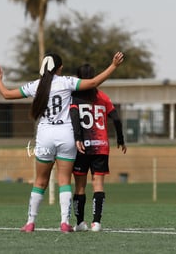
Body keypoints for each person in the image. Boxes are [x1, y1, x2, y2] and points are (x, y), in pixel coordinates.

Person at [0, 52, 124, 233]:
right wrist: (113, 66)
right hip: (66, 135)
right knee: (64, 181)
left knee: (40, 182)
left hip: (45, 135)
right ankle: (64, 222)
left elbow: (7, 94)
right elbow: (93, 83)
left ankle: (30, 222)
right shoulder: (66, 82)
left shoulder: (35, 85)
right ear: (60, 68)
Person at [70, 63, 127, 232]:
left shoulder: (75, 97)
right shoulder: (103, 97)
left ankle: (80, 223)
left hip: (82, 147)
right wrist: (121, 139)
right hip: (101, 146)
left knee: (80, 186)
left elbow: (74, 117)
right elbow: (116, 119)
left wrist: (77, 137)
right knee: (98, 184)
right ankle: (96, 223)